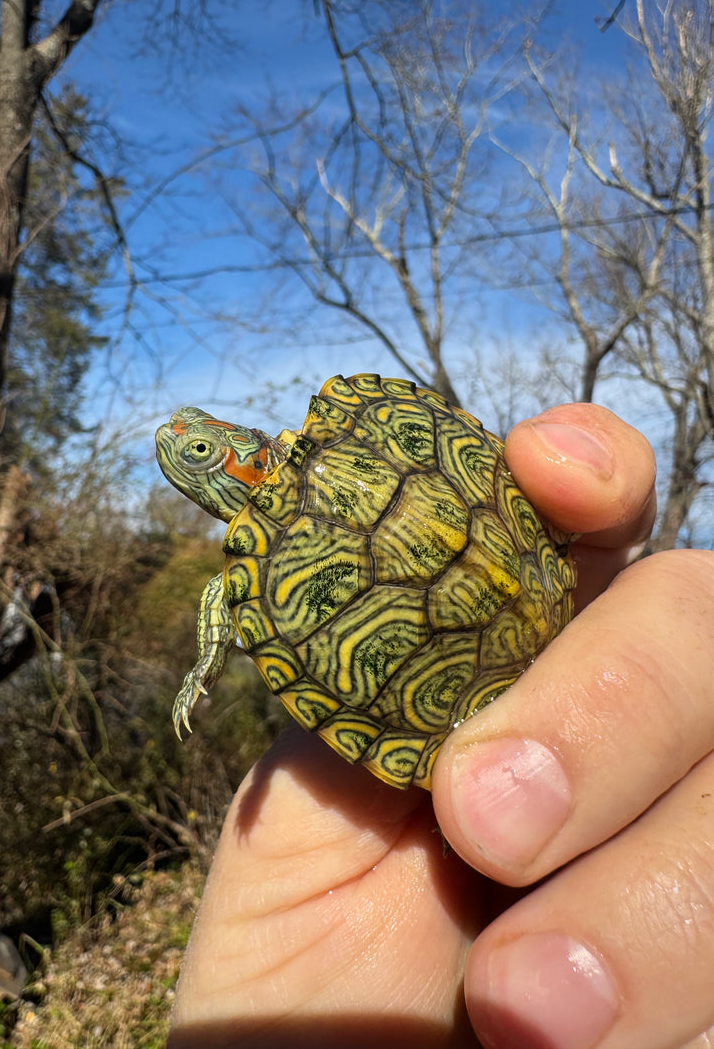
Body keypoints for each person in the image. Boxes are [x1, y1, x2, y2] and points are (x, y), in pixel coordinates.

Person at [167, 403, 714, 1049]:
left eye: (201, 447)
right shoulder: (258, 560)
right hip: (480, 732)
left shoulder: (341, 434)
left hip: (510, 661)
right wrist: (207, 658)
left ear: (243, 447)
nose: (179, 451)